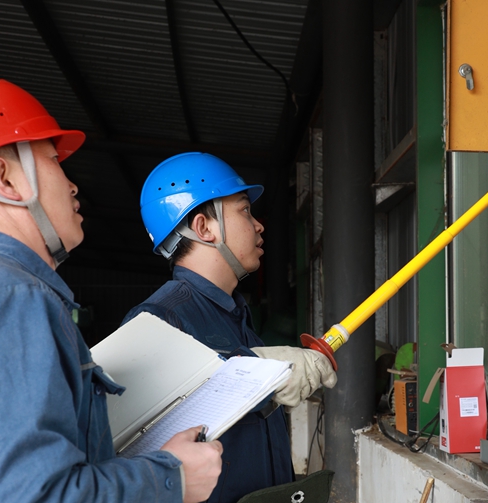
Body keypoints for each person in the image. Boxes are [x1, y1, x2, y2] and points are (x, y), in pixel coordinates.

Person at [0, 76, 222, 503]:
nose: (72, 185)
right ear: (6, 179)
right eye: (54, 160)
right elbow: (34, 495)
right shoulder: (10, 299)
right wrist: (172, 477)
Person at [122, 152, 338, 503]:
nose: (258, 225)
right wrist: (258, 376)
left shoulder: (233, 313)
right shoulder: (159, 320)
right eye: (244, 210)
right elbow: (141, 449)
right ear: (204, 227)